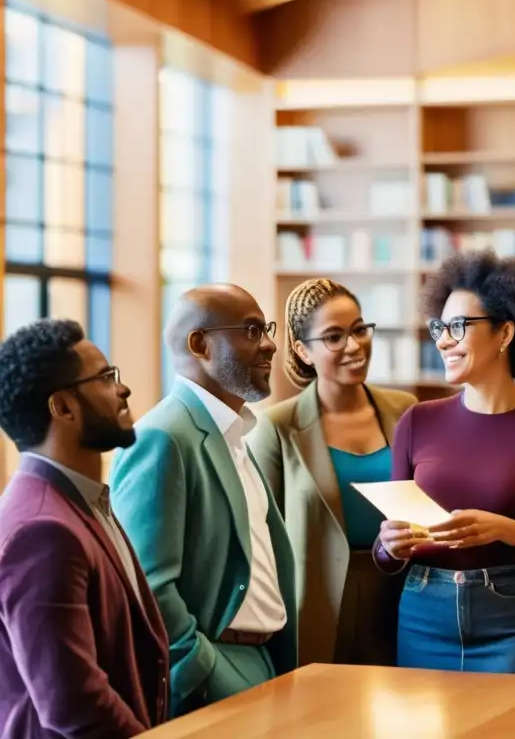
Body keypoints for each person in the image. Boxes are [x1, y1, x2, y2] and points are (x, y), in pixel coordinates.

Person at [373, 250, 515, 674]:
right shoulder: (417, 422)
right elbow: (386, 554)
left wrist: (509, 532)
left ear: (505, 332)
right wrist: (389, 547)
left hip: (509, 619)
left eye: (458, 327)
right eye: (440, 326)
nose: (442, 340)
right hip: (421, 615)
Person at [109, 284, 298, 717]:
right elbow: (146, 585)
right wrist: (203, 669)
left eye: (266, 328)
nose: (270, 343)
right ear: (200, 344)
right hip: (215, 673)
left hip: (265, 662)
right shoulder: (163, 437)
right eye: (252, 331)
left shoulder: (232, 434)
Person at [0, 319, 170, 738]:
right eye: (106, 377)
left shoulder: (82, 502)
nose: (123, 389)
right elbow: (72, 701)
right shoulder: (41, 529)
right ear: (63, 407)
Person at [248, 279, 417, 667]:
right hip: (316, 607)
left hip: (404, 597)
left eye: (359, 329)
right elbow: (260, 541)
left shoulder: (405, 410)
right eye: (334, 337)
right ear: (302, 350)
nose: (355, 346)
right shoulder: (276, 427)